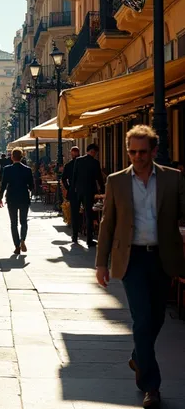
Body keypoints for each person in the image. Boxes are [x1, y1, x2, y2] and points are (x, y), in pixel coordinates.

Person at [96, 125, 185, 409]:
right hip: (131, 259)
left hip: (163, 257)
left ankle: (138, 356)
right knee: (142, 319)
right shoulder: (116, 181)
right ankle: (151, 385)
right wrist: (101, 262)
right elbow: (107, 223)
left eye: (142, 152)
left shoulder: (173, 179)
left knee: (156, 318)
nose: (137, 157)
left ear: (154, 151)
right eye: (132, 151)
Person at [0, 148, 34, 254]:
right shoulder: (27, 169)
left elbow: (3, 184)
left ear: (12, 157)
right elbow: (32, 186)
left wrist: (0, 197)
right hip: (24, 197)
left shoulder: (7, 169)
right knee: (23, 222)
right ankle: (23, 239)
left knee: (13, 223)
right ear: (22, 157)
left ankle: (17, 246)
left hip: (11, 198)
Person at [70, 142, 104, 247]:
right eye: (95, 153)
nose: (95, 154)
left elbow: (74, 176)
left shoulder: (78, 161)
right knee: (89, 215)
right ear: (93, 152)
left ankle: (75, 236)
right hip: (89, 192)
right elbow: (99, 178)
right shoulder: (95, 163)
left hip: (78, 191)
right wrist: (103, 190)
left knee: (75, 214)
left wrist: (72, 189)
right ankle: (89, 240)